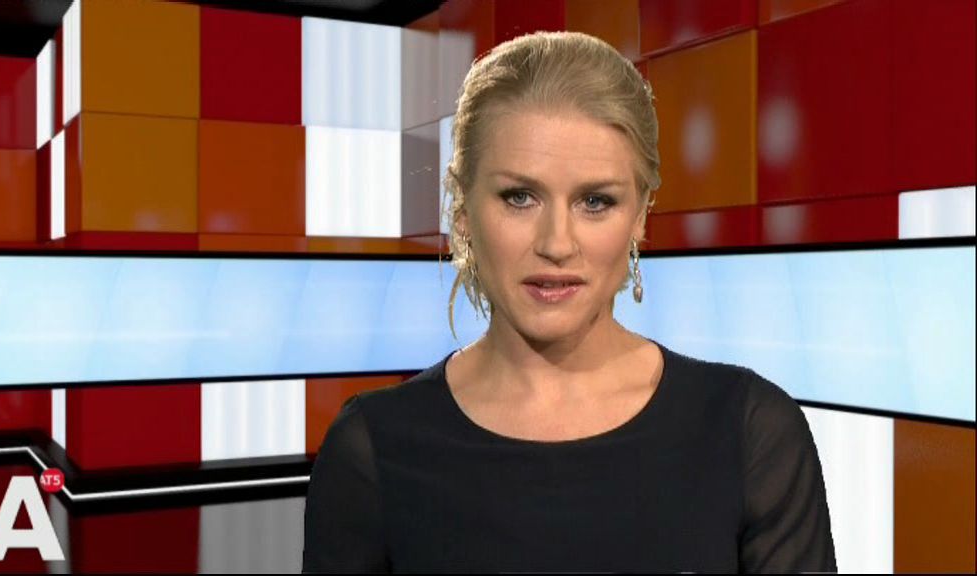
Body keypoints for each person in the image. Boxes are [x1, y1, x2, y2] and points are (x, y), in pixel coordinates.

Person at [302, 30, 837, 573]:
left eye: (595, 201)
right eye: (520, 197)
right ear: (462, 210)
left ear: (640, 216)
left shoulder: (750, 433)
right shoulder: (372, 449)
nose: (556, 244)